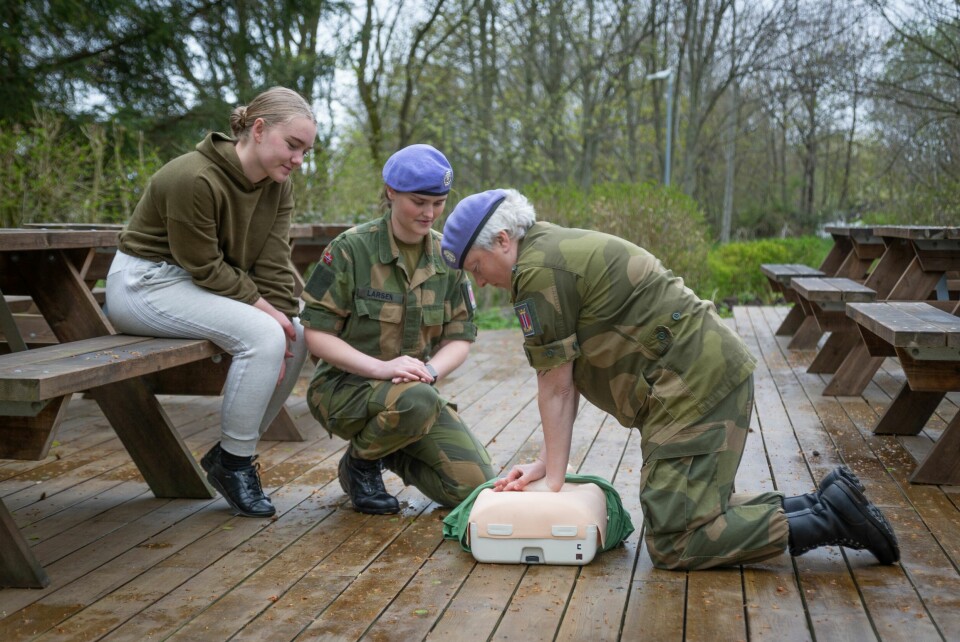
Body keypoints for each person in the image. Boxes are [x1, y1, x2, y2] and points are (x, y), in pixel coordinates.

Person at [439, 188, 900, 570]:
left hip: (694, 389)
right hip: (693, 382)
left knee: (675, 540)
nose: (479, 283)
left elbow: (556, 385)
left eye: (476, 268)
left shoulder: (537, 271)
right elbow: (565, 380)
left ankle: (828, 518)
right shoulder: (548, 249)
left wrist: (552, 485)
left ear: (502, 240)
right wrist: (545, 464)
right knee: (683, 514)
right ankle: (824, 503)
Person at [105, 87, 316, 518]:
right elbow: (204, 265)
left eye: (305, 151)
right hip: (145, 285)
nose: (297, 159)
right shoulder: (193, 177)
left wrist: (285, 320)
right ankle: (237, 465)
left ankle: (230, 455)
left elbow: (274, 260)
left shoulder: (278, 186)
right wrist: (270, 319)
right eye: (292, 146)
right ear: (258, 130)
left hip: (201, 285)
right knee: (263, 333)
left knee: (299, 330)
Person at [299, 144, 495, 515]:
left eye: (438, 203)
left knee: (473, 488)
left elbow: (460, 335)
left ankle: (385, 447)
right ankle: (361, 465)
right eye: (419, 201)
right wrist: (382, 369)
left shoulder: (447, 256)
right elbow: (316, 334)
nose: (429, 213)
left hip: (411, 395)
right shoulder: (351, 250)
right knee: (418, 398)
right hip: (344, 391)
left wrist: (431, 371)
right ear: (390, 192)